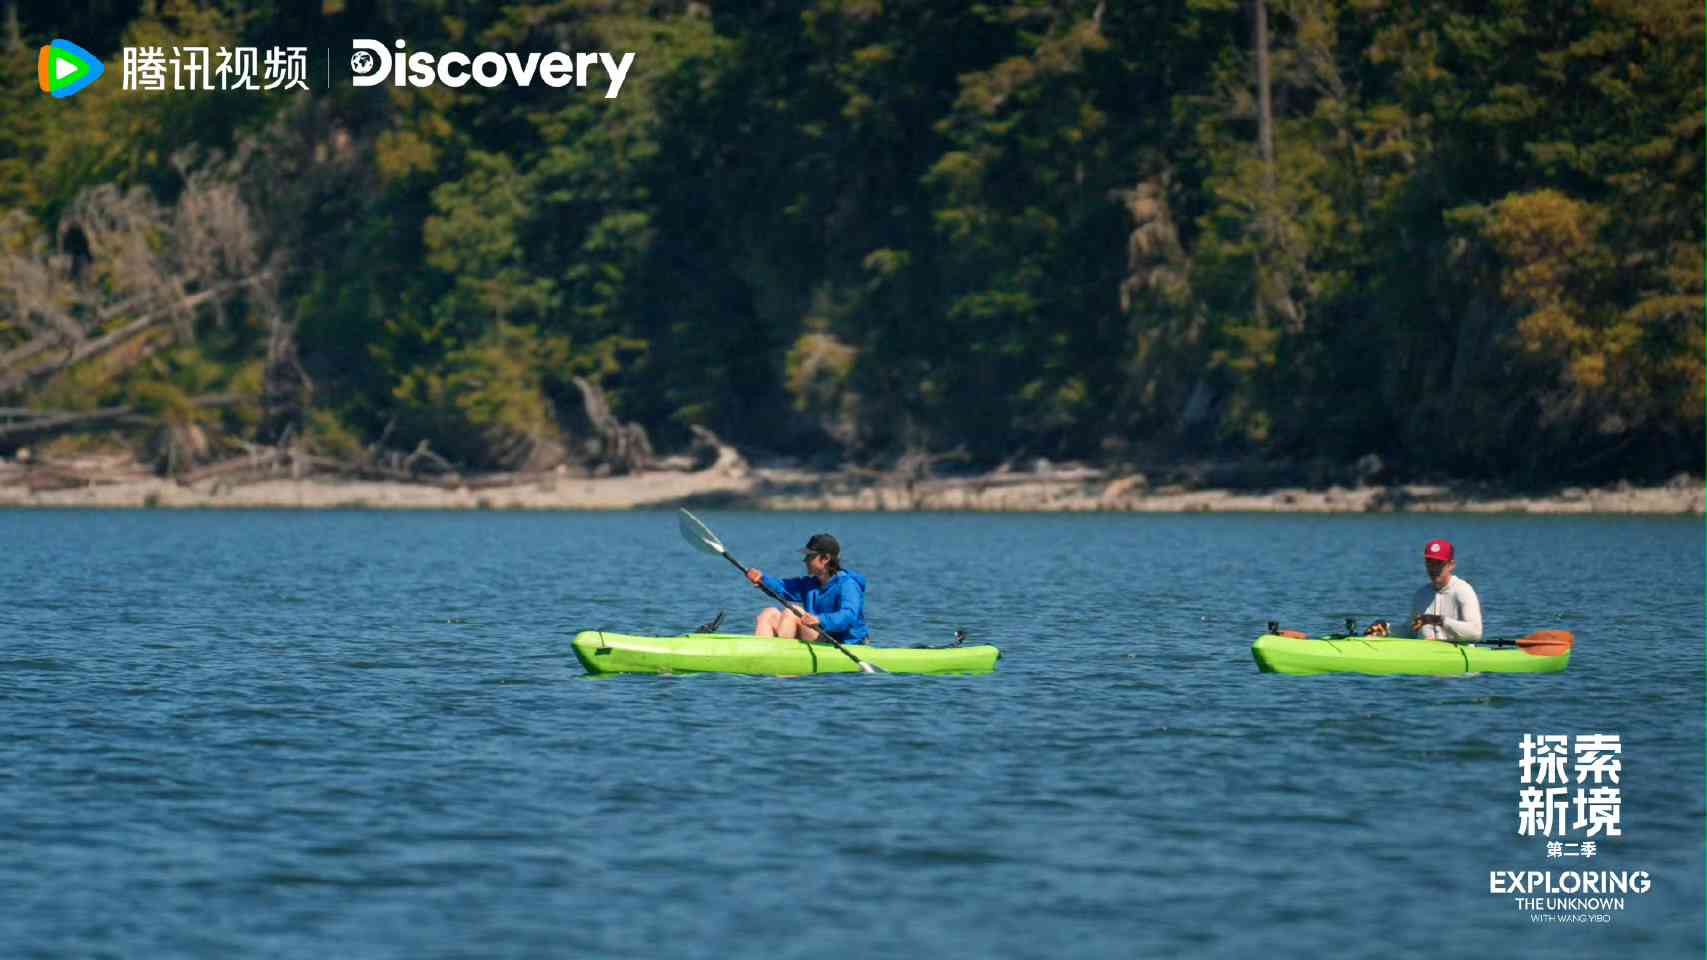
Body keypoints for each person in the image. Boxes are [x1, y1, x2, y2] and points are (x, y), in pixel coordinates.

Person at [745, 533, 870, 645]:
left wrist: (820, 620)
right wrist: (762, 579)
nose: (805, 560)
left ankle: (783, 656)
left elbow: (848, 616)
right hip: (819, 636)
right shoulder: (810, 583)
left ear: (825, 559)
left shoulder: (848, 585)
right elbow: (783, 587)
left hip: (844, 643)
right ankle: (760, 654)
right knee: (769, 613)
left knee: (791, 612)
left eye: (810, 556)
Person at [1410, 538, 1483, 640]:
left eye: (1438, 563)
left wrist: (1438, 620)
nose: (1433, 568)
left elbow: (1476, 632)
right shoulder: (1421, 594)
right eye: (1429, 562)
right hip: (1426, 648)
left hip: (1457, 648)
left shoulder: (1463, 590)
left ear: (1451, 565)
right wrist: (1388, 629)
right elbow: (1410, 631)